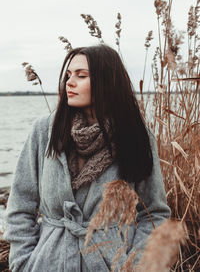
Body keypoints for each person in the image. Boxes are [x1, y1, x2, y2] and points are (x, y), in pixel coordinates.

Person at [4, 44, 170, 272]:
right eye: (68, 75)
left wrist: (137, 265)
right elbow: (21, 205)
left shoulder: (136, 135)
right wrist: (23, 261)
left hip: (112, 263)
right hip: (47, 263)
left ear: (107, 82)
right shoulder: (45, 131)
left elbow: (154, 213)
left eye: (81, 76)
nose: (69, 82)